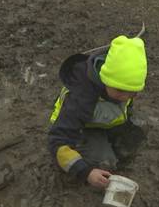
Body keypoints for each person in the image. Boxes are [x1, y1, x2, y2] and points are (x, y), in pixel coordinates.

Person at [47, 35, 147, 189]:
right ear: (105, 80)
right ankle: (90, 164)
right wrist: (86, 172)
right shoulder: (81, 96)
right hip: (77, 130)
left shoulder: (123, 85)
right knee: (104, 163)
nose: (126, 97)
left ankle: (108, 151)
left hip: (100, 122)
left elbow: (126, 104)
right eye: (120, 91)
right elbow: (57, 142)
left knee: (136, 135)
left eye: (133, 92)